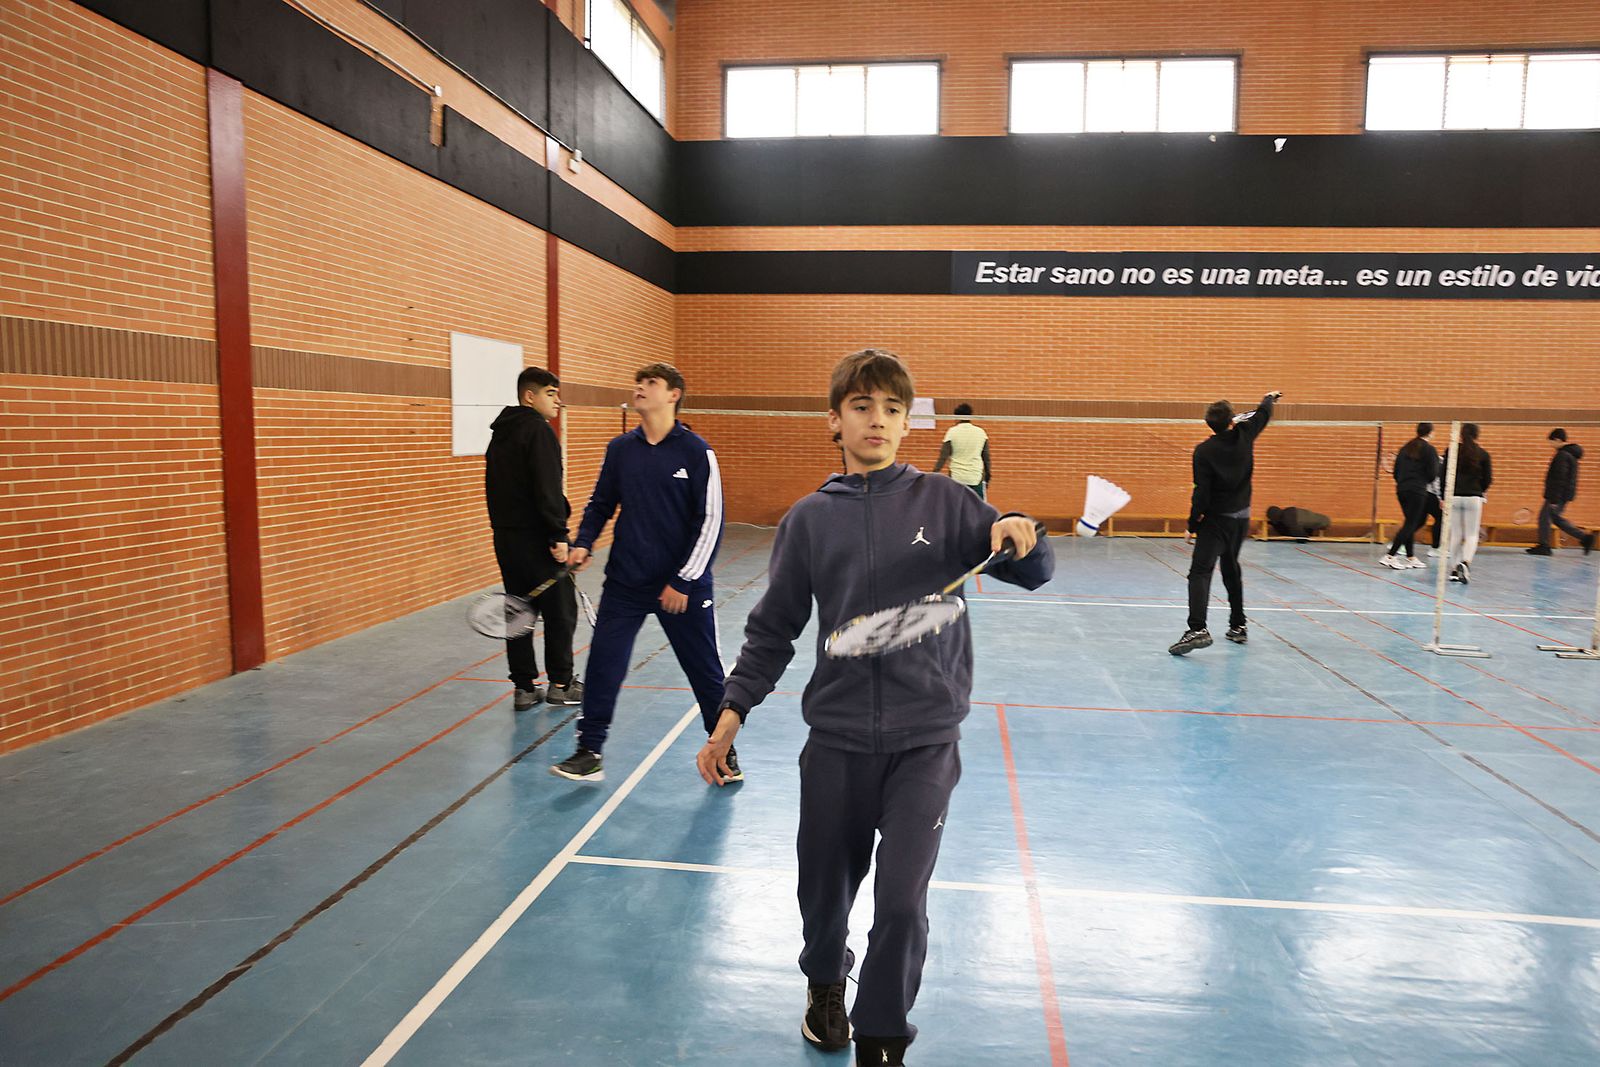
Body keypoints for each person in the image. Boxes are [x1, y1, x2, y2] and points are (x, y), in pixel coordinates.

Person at [696, 349, 1053, 1067]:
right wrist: (731, 712)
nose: (878, 420)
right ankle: (825, 980)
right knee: (824, 890)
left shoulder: (948, 503)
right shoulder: (807, 521)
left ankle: (884, 1035)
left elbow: (1032, 569)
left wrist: (1019, 529)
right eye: (862, 407)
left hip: (926, 739)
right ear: (835, 419)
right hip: (836, 740)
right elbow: (774, 627)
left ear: (907, 421)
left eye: (892, 409)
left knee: (900, 901)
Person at [551, 363, 725, 782]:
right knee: (604, 663)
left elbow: (712, 520)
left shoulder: (697, 452)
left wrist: (683, 580)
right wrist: (583, 542)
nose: (641, 389)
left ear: (674, 395)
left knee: (704, 671)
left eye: (651, 384)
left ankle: (723, 751)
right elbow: (600, 502)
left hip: (681, 585)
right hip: (628, 579)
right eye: (639, 383)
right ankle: (588, 750)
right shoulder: (620, 449)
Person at [484, 367, 581, 710]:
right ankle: (561, 683)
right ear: (530, 396)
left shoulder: (500, 434)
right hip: (538, 541)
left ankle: (524, 688)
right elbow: (547, 487)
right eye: (551, 393)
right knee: (561, 611)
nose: (558, 401)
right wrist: (558, 535)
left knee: (519, 612)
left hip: (506, 541)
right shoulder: (538, 432)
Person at [1169, 390, 1281, 655]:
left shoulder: (1204, 451)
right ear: (1231, 421)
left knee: (1200, 572)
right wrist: (1267, 399)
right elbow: (1263, 414)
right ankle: (1238, 625)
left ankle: (1197, 628)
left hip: (1216, 521)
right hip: (1241, 520)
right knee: (1231, 568)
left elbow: (1202, 493)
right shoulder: (1245, 435)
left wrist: (1192, 524)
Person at [1380, 422, 1440, 570]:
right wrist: (1422, 481)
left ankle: (1410, 557)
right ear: (1430, 433)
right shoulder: (1430, 450)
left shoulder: (1404, 448)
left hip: (1402, 489)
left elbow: (1396, 472)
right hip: (1417, 490)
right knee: (1411, 524)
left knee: (1410, 522)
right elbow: (1433, 474)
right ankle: (1390, 556)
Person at [1528, 428, 1595, 556]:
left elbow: (1559, 478)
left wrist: (1554, 499)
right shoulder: (1570, 455)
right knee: (1555, 519)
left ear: (1558, 440)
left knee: (1544, 518)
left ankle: (1544, 546)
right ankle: (1585, 538)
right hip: (1563, 494)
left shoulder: (1562, 455)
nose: (1551, 445)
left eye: (1551, 442)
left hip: (1557, 495)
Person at [1440, 423, 1492, 584]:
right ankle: (1466, 562)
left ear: (1461, 434)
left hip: (1454, 497)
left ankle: (1454, 569)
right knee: (1471, 534)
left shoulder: (1451, 451)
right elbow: (1488, 479)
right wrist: (1480, 490)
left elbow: (1442, 475)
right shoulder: (1483, 454)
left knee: (1455, 534)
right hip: (1474, 498)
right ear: (1477, 435)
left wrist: (1443, 495)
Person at [932, 402, 990, 498]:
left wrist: (934, 473)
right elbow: (986, 458)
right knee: (978, 510)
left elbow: (943, 457)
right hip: (975, 477)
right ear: (970, 416)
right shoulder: (981, 433)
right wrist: (988, 476)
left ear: (957, 417)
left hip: (957, 478)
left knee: (955, 509)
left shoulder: (952, 432)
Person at [1266, 505, 1330, 541]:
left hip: (1324, 523)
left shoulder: (1288, 520)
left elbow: (1302, 537)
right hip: (1322, 519)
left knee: (1290, 529)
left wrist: (1301, 540)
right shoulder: (1288, 511)